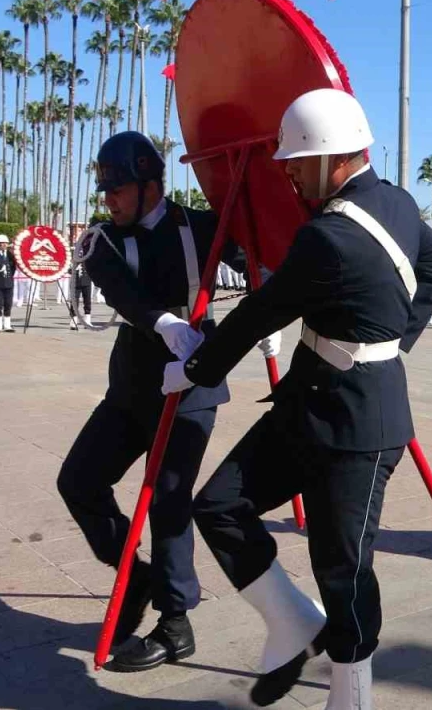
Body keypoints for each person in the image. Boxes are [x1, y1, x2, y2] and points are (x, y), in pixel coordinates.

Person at [171, 89, 432, 710]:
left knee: (343, 568)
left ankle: (351, 695)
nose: (289, 172)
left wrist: (194, 365)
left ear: (332, 159)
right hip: (309, 404)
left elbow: (260, 314)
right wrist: (397, 337)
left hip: (359, 425)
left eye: (297, 161)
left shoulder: (329, 235)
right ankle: (293, 621)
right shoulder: (399, 203)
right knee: (220, 506)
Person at [56, 131, 252, 674]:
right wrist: (165, 324)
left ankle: (175, 621)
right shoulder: (103, 239)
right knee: (78, 481)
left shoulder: (201, 225)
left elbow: (256, 257)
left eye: (118, 189)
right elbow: (119, 288)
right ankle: (134, 576)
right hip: (132, 384)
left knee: (169, 499)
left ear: (151, 185)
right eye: (105, 190)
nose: (109, 200)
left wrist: (255, 251)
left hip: (193, 382)